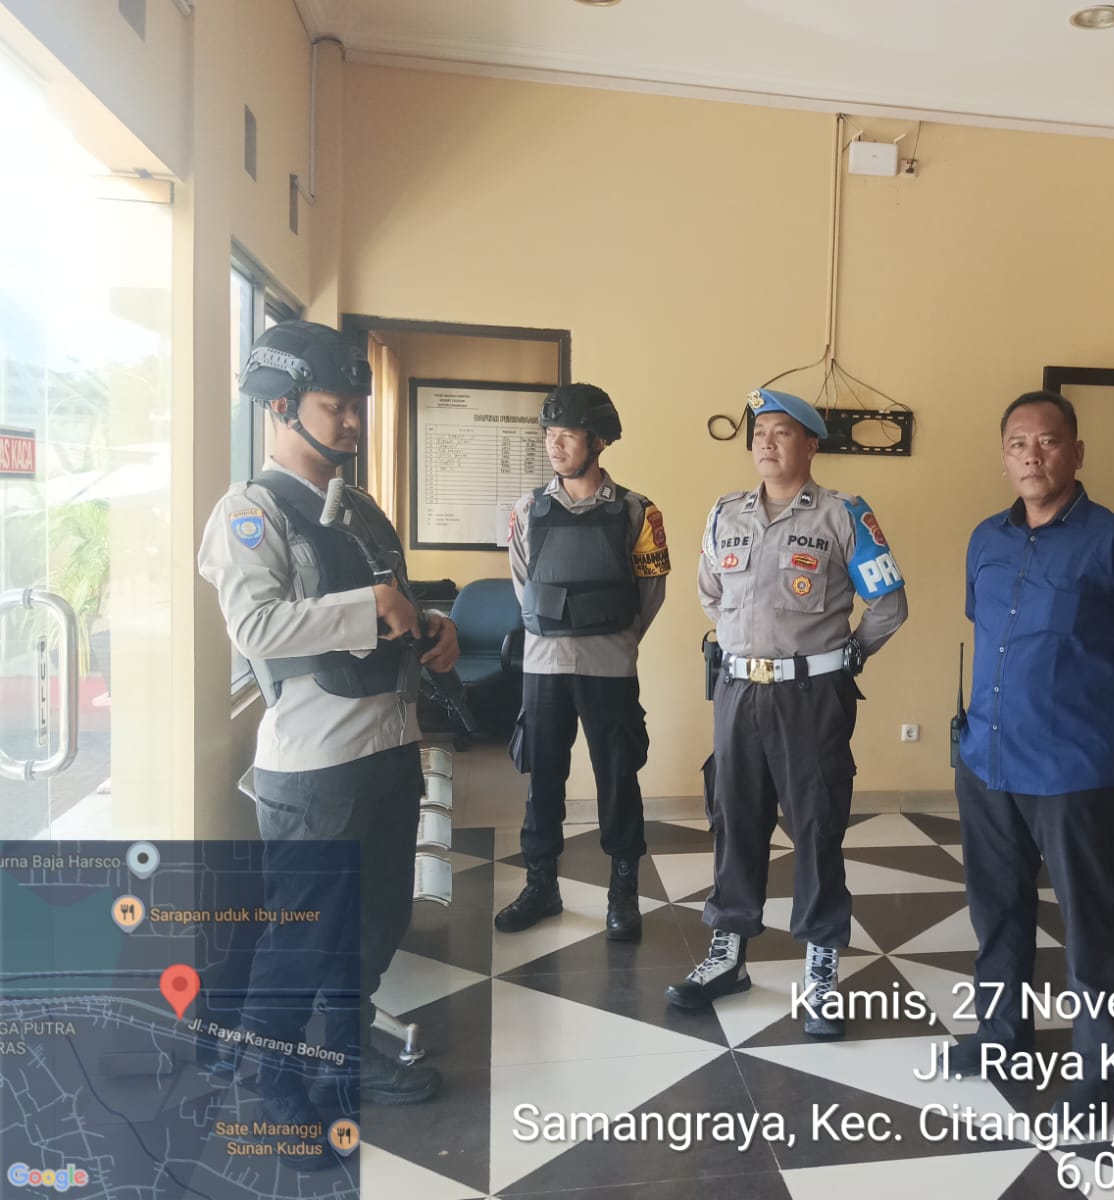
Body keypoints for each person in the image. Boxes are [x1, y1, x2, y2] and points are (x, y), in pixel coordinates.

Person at [198, 322, 453, 1143]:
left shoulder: (360, 509)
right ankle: (269, 1090)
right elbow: (256, 626)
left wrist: (433, 625)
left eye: (354, 407)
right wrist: (368, 609)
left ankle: (341, 1053)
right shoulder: (249, 512)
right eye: (333, 406)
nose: (350, 422)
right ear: (281, 407)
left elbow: (395, 597)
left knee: (377, 924)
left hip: (390, 744)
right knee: (302, 943)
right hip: (315, 767)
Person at [947, 390, 1114, 1140]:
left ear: (1077, 453)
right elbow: (990, 634)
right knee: (997, 909)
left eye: (1049, 442)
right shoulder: (985, 540)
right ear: (1003, 457)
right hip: (987, 760)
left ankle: (1100, 1071)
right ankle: (1001, 1034)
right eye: (1018, 444)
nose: (1033, 456)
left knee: (1089, 927)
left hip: (1074, 772)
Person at [665, 388, 908, 1038]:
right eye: (758, 434)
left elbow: (889, 603)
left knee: (817, 824)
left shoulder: (843, 515)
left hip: (811, 697)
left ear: (810, 444)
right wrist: (748, 643)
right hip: (737, 692)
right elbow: (711, 593)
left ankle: (821, 967)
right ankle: (728, 952)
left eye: (780, 432)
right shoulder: (725, 513)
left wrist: (845, 657)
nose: (766, 444)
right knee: (733, 818)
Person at [495, 383, 669, 940]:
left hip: (608, 667)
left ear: (599, 441)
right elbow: (523, 583)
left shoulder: (638, 510)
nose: (555, 444)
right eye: (549, 434)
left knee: (618, 778)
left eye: (567, 434)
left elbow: (650, 593)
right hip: (543, 667)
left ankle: (623, 892)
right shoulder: (527, 509)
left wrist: (614, 639)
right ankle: (541, 886)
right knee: (542, 779)